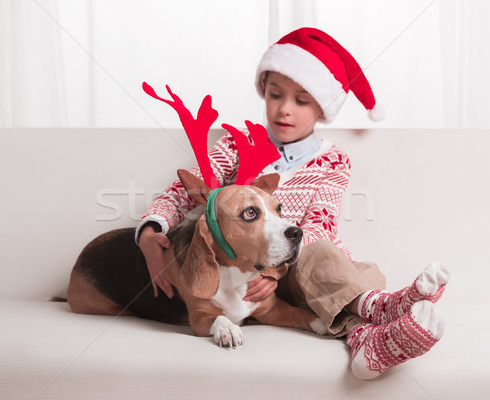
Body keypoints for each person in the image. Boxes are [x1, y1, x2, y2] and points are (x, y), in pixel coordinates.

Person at [136, 27, 449, 380]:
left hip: (302, 265)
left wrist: (275, 270)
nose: (284, 110)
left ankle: (378, 320)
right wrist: (150, 231)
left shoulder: (334, 162)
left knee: (363, 269)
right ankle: (374, 325)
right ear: (264, 92)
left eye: (301, 100)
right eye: (275, 95)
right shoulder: (239, 144)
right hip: (252, 273)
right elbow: (181, 191)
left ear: (322, 107)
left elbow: (320, 225)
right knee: (338, 268)